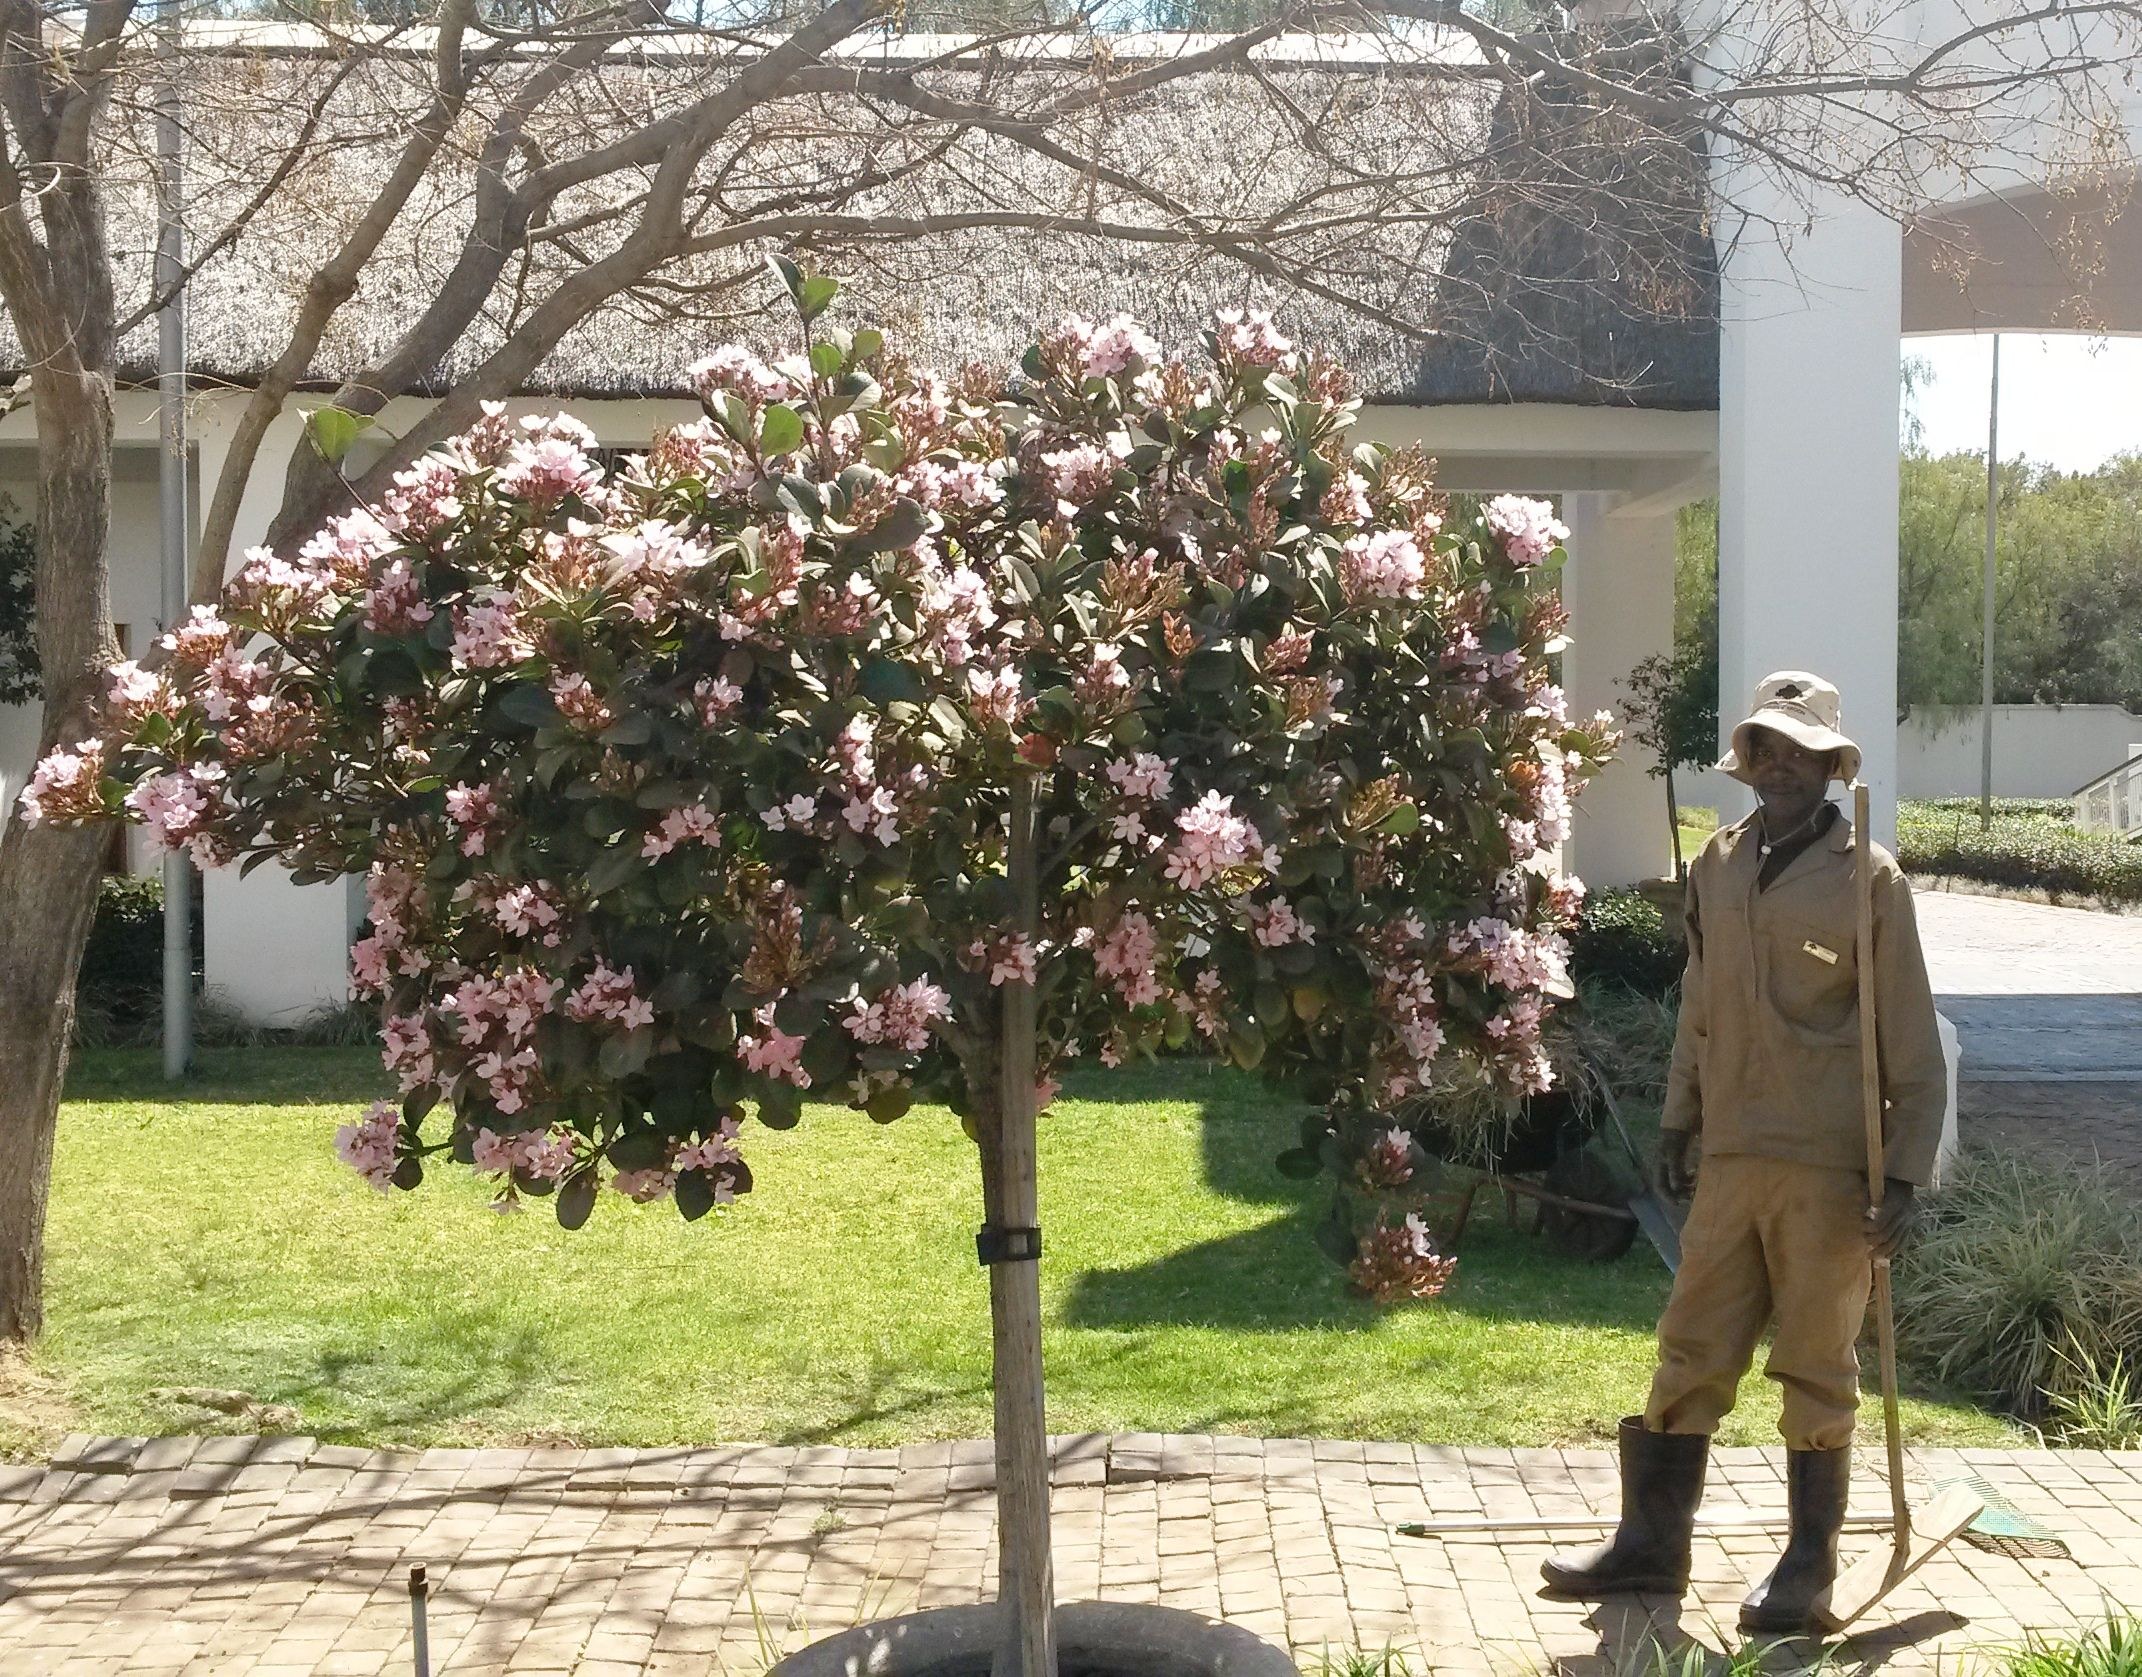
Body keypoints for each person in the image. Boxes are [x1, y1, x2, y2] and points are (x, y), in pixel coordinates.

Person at [1541, 671, 1947, 1634]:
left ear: (1831, 766)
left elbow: (1911, 1035)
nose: (1780, 767)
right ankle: (1651, 1544)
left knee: (1815, 1363)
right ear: (1748, 760)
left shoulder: (1869, 879)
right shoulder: (1718, 864)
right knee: (1690, 1346)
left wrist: (1901, 1174)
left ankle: (1808, 1566)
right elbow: (1701, 1003)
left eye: (1801, 752)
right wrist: (1679, 1120)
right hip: (1730, 1155)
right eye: (1766, 749)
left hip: (1828, 1169)